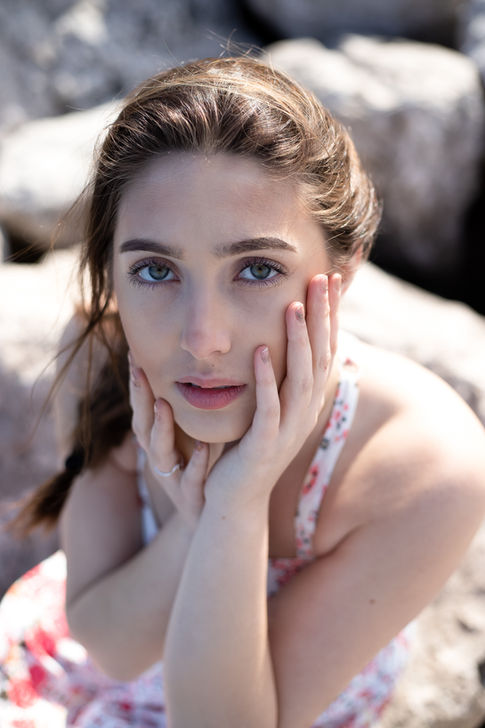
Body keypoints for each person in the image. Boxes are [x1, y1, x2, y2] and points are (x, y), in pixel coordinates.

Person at [1, 54, 485, 728]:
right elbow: (110, 647)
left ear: (344, 269)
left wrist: (241, 503)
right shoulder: (108, 358)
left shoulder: (422, 463)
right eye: (155, 270)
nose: (203, 339)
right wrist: (203, 515)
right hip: (70, 676)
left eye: (256, 269)